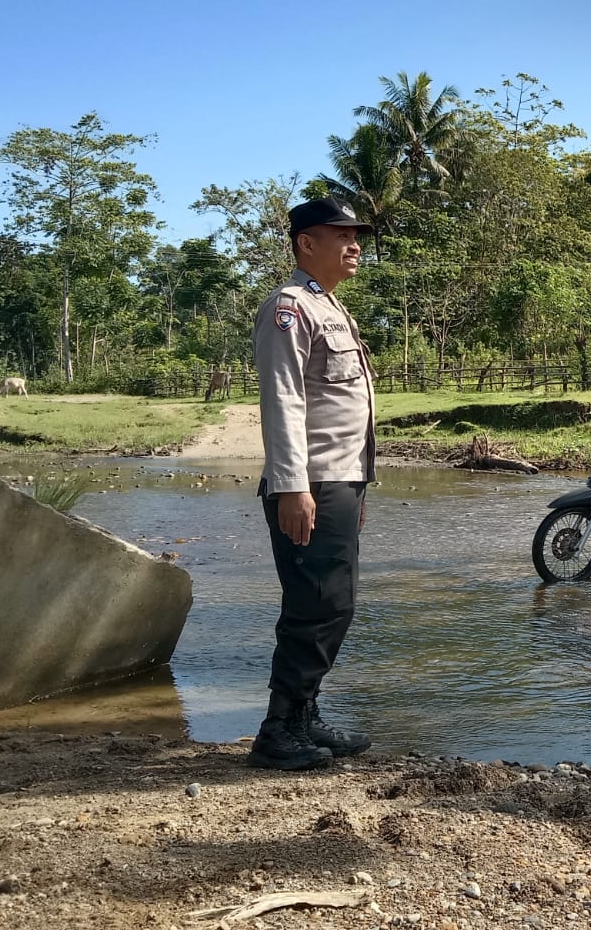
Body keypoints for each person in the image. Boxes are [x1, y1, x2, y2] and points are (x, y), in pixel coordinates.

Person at [247, 195, 378, 770]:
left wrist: (358, 487)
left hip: (338, 482)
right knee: (317, 604)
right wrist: (293, 487)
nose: (355, 245)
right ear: (306, 243)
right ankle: (279, 729)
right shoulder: (289, 308)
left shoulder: (330, 308)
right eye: (341, 234)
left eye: (358, 235)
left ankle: (304, 716)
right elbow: (283, 400)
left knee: (332, 602)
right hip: (312, 482)